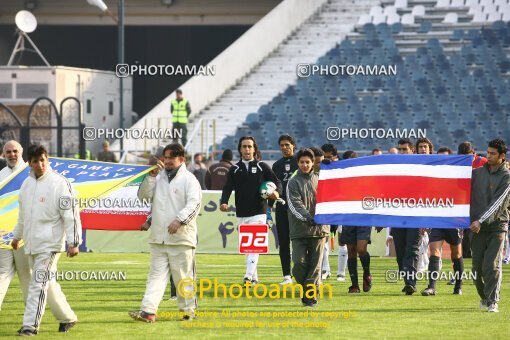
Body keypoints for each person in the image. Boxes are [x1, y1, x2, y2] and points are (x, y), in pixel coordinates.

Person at [12, 144, 82, 336]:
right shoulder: (26, 185)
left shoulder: (60, 183)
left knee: (37, 284)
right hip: (31, 244)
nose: (40, 164)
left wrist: (74, 242)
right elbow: (22, 216)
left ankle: (30, 326)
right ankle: (68, 318)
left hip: (51, 244)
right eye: (36, 161)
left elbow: (71, 215)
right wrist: (17, 236)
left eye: (43, 160)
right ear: (30, 164)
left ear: (47, 159)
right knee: (47, 283)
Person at [129, 143, 201, 322]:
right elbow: (143, 197)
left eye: (171, 157)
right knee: (155, 276)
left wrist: (180, 220)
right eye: (165, 157)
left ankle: (188, 311)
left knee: (183, 277)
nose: (167, 161)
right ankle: (148, 311)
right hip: (158, 238)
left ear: (181, 159)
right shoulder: (157, 177)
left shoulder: (189, 179)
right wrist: (151, 177)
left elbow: (195, 205)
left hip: (181, 238)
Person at [220, 136, 280, 285]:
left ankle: (247, 276)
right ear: (240, 149)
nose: (247, 149)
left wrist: (276, 192)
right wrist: (224, 201)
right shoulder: (234, 169)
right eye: (244, 146)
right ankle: (254, 278)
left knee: (254, 245)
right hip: (241, 212)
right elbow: (228, 187)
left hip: (259, 211)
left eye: (250, 146)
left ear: (254, 149)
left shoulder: (262, 166)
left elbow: (276, 182)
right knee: (249, 248)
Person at [470, 138, 510, 313]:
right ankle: (485, 298)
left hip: (497, 226)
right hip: (477, 227)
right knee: (476, 268)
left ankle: (493, 300)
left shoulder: (507, 177)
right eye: (488, 152)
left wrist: (481, 220)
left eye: (493, 154)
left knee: (491, 265)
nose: (489, 156)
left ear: (502, 156)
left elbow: (497, 203)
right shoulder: (477, 173)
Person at [287, 148, 330, 307]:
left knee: (315, 266)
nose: (305, 165)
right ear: (297, 163)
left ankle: (310, 296)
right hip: (299, 230)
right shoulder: (293, 182)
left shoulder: (321, 180)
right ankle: (307, 290)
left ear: (313, 163)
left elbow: (329, 201)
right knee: (298, 264)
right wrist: (308, 218)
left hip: (320, 230)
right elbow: (294, 204)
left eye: (308, 162)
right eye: (302, 162)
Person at [339, 150, 380, 293]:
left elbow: (375, 198)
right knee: (351, 251)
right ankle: (354, 285)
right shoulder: (340, 179)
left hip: (364, 217)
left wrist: (379, 219)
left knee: (361, 249)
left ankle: (367, 273)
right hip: (348, 218)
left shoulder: (366, 178)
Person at [0, 141, 31, 311]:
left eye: (15, 151)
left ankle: (31, 316)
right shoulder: (1, 175)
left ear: (21, 151)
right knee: (2, 274)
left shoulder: (31, 173)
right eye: (8, 152)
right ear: (3, 154)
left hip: (25, 235)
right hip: (3, 234)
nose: (12, 154)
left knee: (27, 277)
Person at [391, 138, 423, 295]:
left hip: (416, 216)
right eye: (400, 149)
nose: (402, 152)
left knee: (412, 249)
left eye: (405, 149)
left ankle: (411, 282)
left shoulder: (420, 168)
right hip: (397, 216)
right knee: (401, 251)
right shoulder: (393, 169)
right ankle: (407, 279)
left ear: (412, 150)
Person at [270, 135, 298, 285]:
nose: (284, 147)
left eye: (287, 144)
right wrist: (269, 206)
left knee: (299, 242)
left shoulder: (300, 162)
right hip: (281, 208)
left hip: (298, 208)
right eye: (281, 145)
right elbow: (273, 187)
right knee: (284, 242)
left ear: (293, 145)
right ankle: (287, 275)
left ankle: (302, 272)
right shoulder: (276, 165)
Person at [320, 143, 348, 282]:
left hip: (341, 208)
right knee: (324, 238)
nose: (326, 160)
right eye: (324, 157)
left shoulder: (343, 167)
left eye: (329, 157)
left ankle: (341, 273)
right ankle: (326, 269)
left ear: (336, 156)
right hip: (326, 207)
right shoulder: (321, 167)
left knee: (342, 241)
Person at [458, 141, 488, 258]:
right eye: (462, 157)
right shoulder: (459, 164)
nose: (465, 160)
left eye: (468, 157)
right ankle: (467, 258)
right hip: (466, 204)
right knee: (466, 234)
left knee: (478, 233)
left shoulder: (483, 162)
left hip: (481, 204)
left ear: (474, 153)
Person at [415, 138, 432, 274]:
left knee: (432, 236)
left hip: (432, 203)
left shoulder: (435, 165)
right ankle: (422, 263)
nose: (423, 149)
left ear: (430, 149)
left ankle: (426, 261)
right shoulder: (413, 164)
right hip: (416, 204)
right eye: (420, 146)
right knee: (421, 234)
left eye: (425, 146)